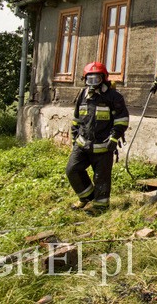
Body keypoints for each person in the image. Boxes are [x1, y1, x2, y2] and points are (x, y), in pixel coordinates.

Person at [66, 62, 129, 212]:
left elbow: (122, 120)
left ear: (104, 78)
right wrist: (75, 137)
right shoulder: (82, 94)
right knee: (72, 170)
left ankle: (100, 207)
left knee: (101, 178)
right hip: (83, 144)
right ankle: (86, 197)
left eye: (96, 79)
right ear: (85, 80)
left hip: (103, 146)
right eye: (90, 79)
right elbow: (76, 119)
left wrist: (114, 138)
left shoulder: (114, 97)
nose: (93, 83)